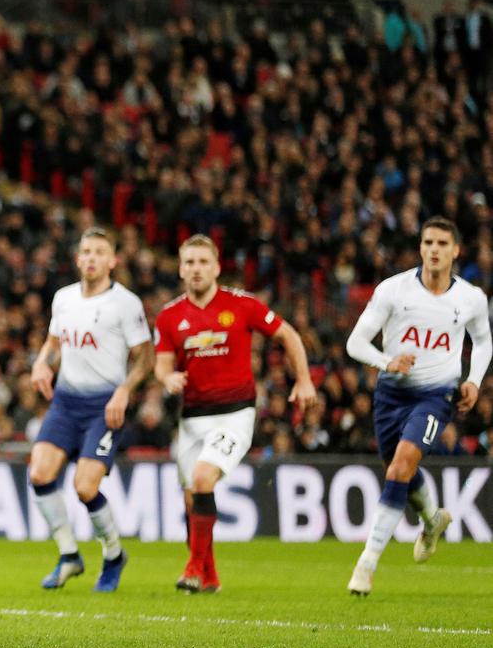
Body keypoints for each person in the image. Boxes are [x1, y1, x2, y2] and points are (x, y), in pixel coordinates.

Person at [154, 234, 317, 593]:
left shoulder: (242, 305)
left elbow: (287, 334)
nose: (196, 269)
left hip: (234, 414)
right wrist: (168, 379)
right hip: (191, 417)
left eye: (203, 262)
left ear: (216, 267)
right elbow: (162, 365)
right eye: (189, 263)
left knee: (201, 480)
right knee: (191, 498)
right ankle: (209, 576)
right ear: (181, 269)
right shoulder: (169, 317)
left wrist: (303, 379)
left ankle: (193, 568)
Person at [344, 216, 491, 596]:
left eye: (443, 243)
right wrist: (385, 362)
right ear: (420, 248)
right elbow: (356, 343)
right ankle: (431, 520)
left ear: (456, 250)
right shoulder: (394, 291)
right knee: (399, 474)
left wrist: (473, 378)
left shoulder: (470, 298)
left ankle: (366, 564)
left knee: (402, 464)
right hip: (390, 394)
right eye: (428, 243)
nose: (434, 250)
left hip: (436, 396)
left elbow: (484, 341)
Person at [28, 227, 154, 593]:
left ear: (113, 260)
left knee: (85, 487)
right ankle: (69, 555)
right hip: (66, 401)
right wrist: (41, 363)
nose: (92, 258)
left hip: (104, 406)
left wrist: (124, 391)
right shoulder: (64, 298)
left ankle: (113, 554)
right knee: (39, 473)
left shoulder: (125, 303)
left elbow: (145, 358)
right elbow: (54, 341)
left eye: (100, 252)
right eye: (86, 251)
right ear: (78, 258)